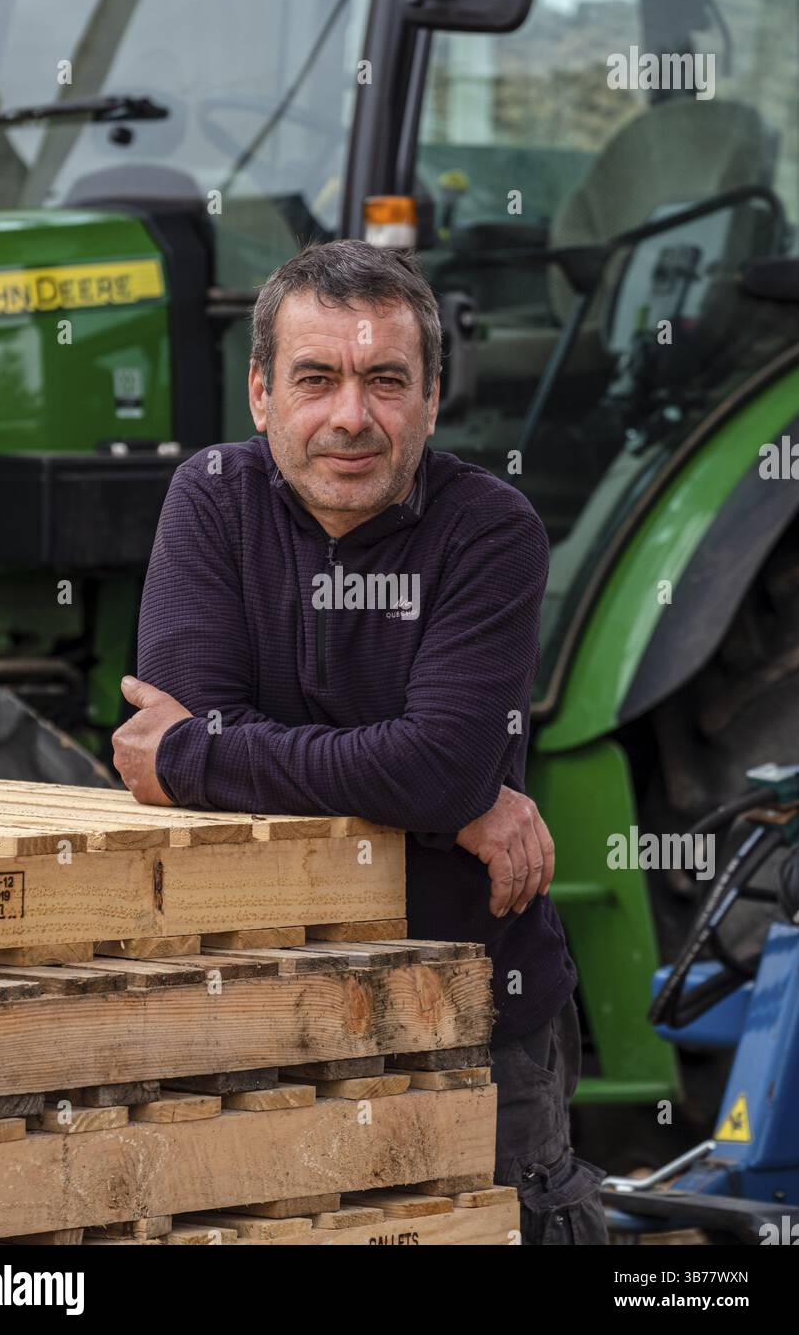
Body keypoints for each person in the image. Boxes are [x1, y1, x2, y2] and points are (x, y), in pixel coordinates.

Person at [112, 238, 609, 1244]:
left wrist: (194, 753)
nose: (350, 417)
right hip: (250, 1020)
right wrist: (440, 796)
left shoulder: (487, 530)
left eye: (386, 381)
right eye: (315, 378)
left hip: (468, 1018)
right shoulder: (210, 500)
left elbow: (432, 763)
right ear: (258, 393)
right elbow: (427, 771)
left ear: (430, 399)